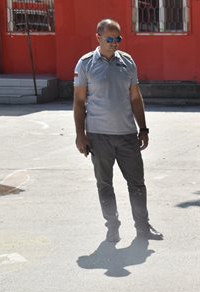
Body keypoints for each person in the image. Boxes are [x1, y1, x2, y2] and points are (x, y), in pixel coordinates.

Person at [73, 18, 163, 243]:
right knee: (105, 184)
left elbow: (135, 97)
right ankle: (112, 226)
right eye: (110, 39)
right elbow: (79, 102)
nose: (114, 43)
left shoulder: (128, 62)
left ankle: (143, 226)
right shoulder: (85, 64)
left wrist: (143, 128)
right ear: (98, 37)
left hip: (126, 135)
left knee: (137, 183)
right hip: (98, 136)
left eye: (118, 39)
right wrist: (80, 134)